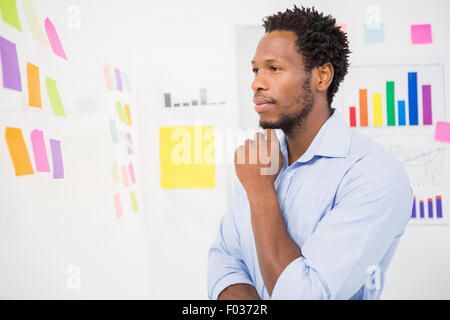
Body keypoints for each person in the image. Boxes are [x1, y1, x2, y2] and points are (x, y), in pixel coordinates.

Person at [207, 6, 413, 300]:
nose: (257, 83)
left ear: (322, 76)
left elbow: (305, 295)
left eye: (274, 68)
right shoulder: (260, 161)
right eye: (255, 70)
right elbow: (224, 261)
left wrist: (261, 190)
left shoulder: (374, 175)